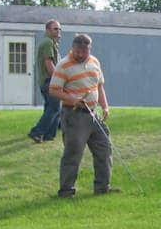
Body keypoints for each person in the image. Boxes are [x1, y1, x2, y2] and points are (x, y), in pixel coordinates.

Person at [49, 33, 116, 197]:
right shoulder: (63, 65)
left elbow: (99, 87)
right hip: (74, 115)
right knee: (73, 153)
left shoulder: (95, 62)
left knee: (104, 149)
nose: (80, 54)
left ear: (89, 49)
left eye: (83, 52)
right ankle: (66, 191)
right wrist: (73, 99)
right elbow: (54, 90)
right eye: (77, 51)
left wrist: (105, 106)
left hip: (94, 114)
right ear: (73, 48)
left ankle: (102, 187)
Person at [27, 19, 63, 143]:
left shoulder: (52, 43)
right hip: (49, 81)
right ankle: (37, 132)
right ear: (48, 30)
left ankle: (49, 135)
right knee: (54, 108)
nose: (58, 31)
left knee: (52, 108)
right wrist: (58, 81)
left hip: (47, 81)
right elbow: (49, 63)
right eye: (55, 29)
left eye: (59, 29)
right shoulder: (48, 43)